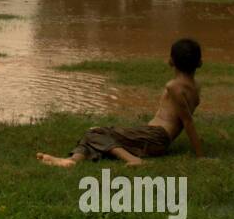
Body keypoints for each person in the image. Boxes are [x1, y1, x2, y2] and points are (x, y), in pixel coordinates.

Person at [38, 38, 204, 167]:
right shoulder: (195, 87)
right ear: (199, 63)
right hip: (155, 137)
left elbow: (188, 122)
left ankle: (133, 160)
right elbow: (187, 122)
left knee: (95, 133)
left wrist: (200, 156)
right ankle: (71, 161)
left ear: (171, 61)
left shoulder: (174, 87)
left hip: (156, 136)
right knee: (98, 137)